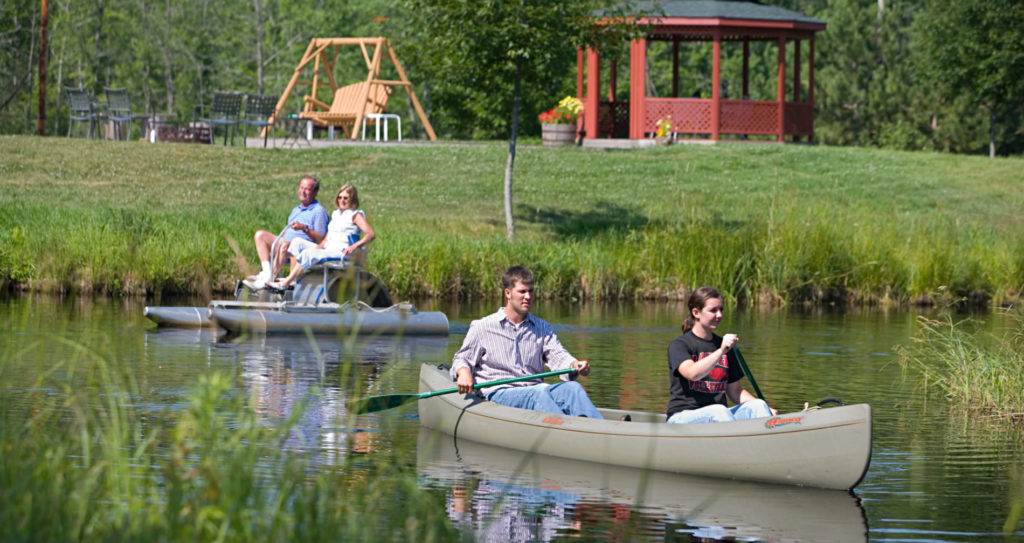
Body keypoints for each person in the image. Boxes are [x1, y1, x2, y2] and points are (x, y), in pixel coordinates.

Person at [451, 266, 604, 419]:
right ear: (508, 293)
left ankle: (601, 430)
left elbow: (559, 357)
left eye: (531, 291)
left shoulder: (543, 328)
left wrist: (574, 365)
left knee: (573, 389)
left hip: (536, 390)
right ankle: (570, 433)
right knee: (537, 394)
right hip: (498, 392)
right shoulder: (482, 326)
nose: (528, 296)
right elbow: (461, 359)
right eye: (522, 291)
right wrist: (464, 373)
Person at [666, 286, 775, 424]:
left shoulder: (723, 344)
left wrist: (766, 408)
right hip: (682, 417)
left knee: (757, 405)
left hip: (718, 418)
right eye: (713, 310)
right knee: (719, 410)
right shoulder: (679, 345)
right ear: (696, 312)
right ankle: (737, 443)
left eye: (721, 309)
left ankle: (767, 437)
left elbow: (735, 391)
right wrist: (721, 351)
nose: (720, 315)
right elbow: (692, 373)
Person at [268, 184, 375, 290]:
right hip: (328, 248)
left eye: (345, 198)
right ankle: (288, 277)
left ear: (352, 199)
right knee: (297, 242)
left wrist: (355, 246)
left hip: (341, 251)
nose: (342, 200)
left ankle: (286, 283)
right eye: (340, 197)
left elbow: (370, 234)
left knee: (308, 253)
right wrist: (317, 249)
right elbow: (326, 238)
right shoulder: (336, 214)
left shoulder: (355, 215)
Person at [251, 175, 330, 286]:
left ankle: (270, 279)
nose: (303, 191)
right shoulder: (296, 210)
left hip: (303, 247)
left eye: (307, 189)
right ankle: (266, 272)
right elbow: (288, 231)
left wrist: (304, 228)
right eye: (301, 188)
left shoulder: (319, 211)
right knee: (260, 235)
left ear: (315, 192)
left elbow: (321, 239)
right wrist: (282, 239)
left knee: (289, 245)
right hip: (286, 244)